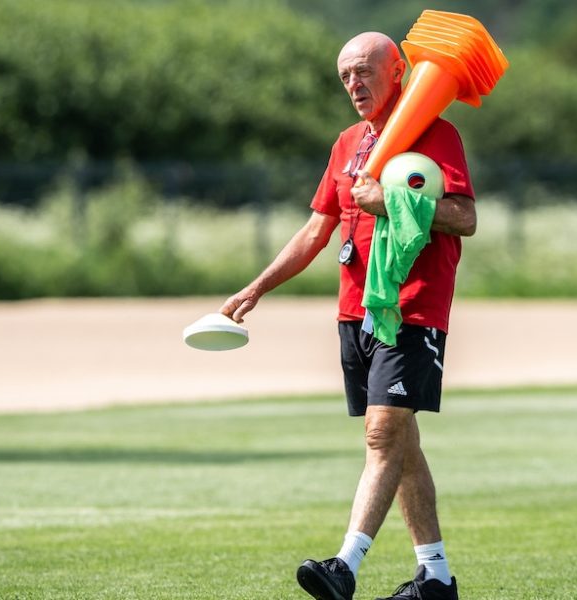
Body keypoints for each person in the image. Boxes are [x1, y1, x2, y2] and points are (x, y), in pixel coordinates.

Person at [220, 31, 475, 600]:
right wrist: (257, 287)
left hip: (412, 308)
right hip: (354, 312)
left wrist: (392, 202)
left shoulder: (437, 133)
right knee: (401, 443)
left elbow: (463, 217)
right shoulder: (347, 144)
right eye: (345, 77)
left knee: (383, 436)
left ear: (398, 69)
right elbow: (317, 229)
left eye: (364, 71)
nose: (354, 85)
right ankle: (435, 578)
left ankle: (345, 565)